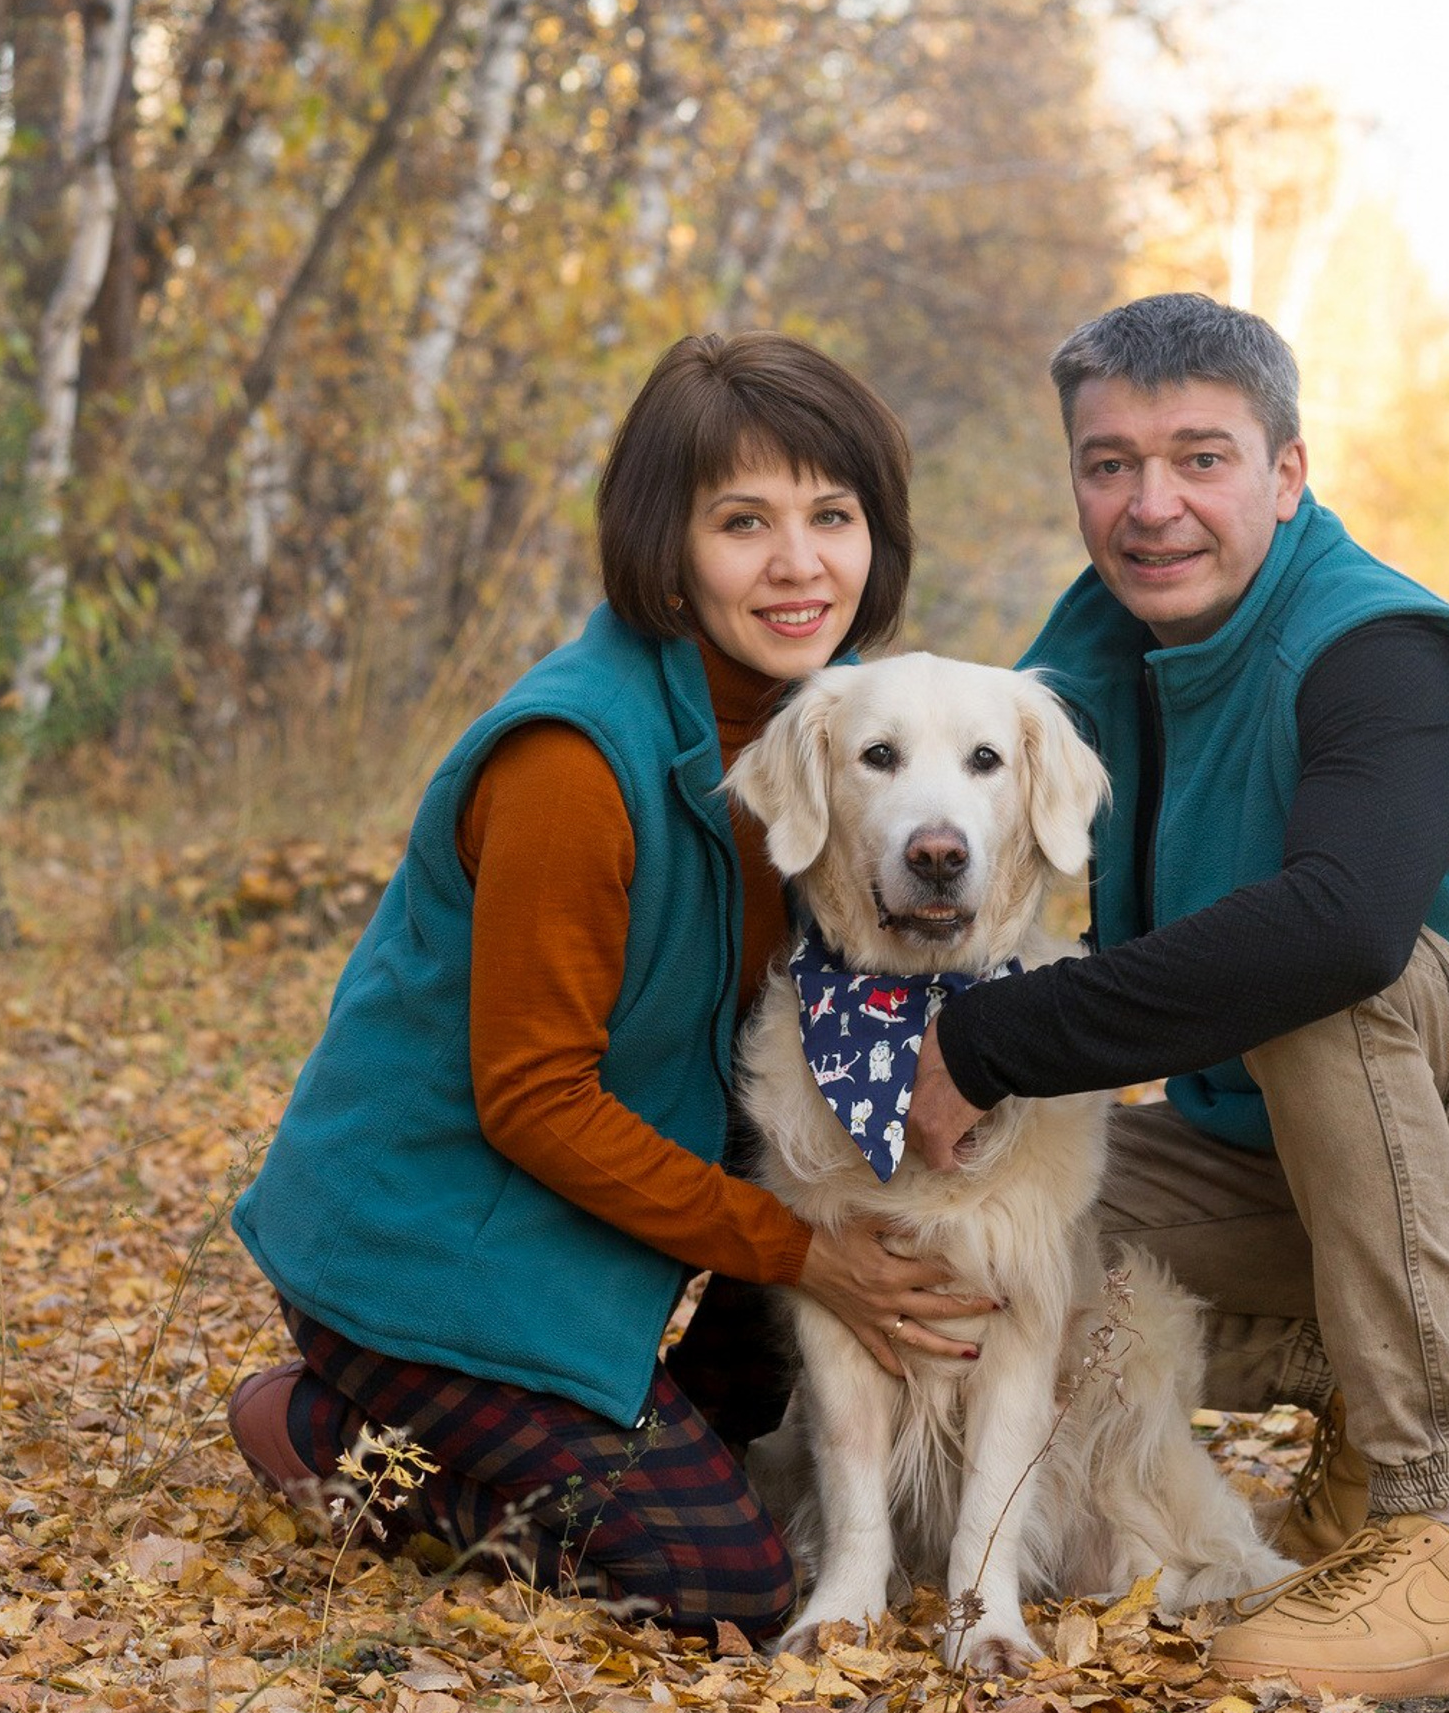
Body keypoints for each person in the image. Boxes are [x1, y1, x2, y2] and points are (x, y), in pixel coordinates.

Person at [905, 294, 1449, 1701]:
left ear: (1287, 475)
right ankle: (1420, 1368)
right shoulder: (1098, 649)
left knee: (1329, 964)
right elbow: (956, 823)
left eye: (1201, 458)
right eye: (1111, 465)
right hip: (1296, 1157)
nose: (1152, 505)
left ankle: (1435, 1536)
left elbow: (1340, 934)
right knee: (1002, 1229)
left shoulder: (1383, 653)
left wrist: (983, 1043)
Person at [227, 332, 997, 1640]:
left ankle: (586, 1422)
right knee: (729, 1586)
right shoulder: (573, 764)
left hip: (591, 1246)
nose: (799, 562)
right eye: (742, 522)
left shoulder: (825, 738)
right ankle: (319, 1430)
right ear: (666, 543)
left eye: (833, 515)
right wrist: (803, 1250)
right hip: (422, 1256)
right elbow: (532, 1101)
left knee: (788, 1361)